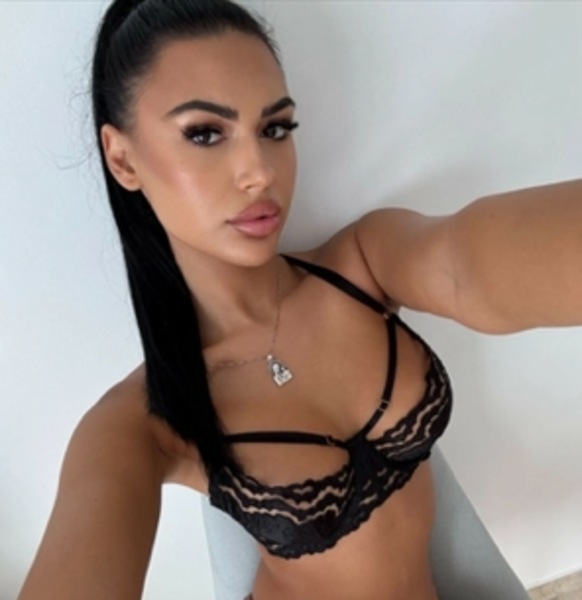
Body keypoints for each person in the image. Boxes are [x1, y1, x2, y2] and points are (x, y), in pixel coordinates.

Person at [16, 1, 582, 599]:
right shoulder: (140, 420)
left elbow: (466, 264)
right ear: (123, 158)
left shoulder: (365, 264)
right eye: (205, 133)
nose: (259, 171)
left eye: (275, 128)